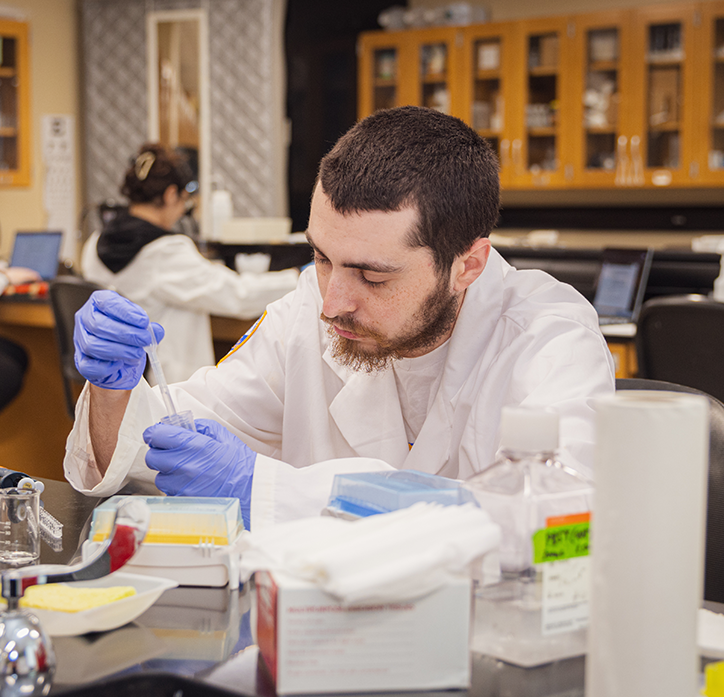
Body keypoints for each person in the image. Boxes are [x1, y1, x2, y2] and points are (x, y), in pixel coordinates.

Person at [65, 107, 615, 531]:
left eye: (373, 277)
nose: (333, 303)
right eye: (322, 259)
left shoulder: (549, 338)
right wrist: (113, 391)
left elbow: (556, 522)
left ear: (467, 264)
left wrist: (270, 492)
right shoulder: (307, 311)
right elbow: (156, 439)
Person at [80, 143, 299, 383]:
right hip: (164, 390)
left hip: (111, 381)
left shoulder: (94, 244)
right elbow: (238, 296)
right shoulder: (166, 251)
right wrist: (297, 277)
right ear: (171, 194)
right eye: (185, 200)